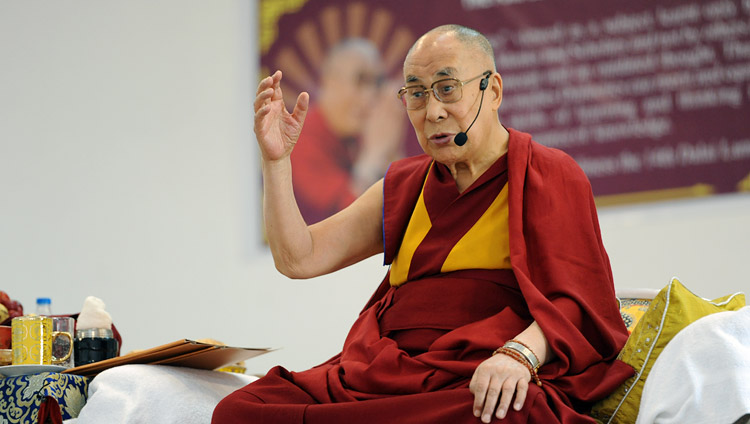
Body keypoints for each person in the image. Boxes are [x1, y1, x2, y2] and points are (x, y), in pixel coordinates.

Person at [214, 24, 633, 423]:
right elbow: (298, 258)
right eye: (415, 94)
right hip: (381, 376)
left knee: (510, 410)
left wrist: (520, 354)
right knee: (242, 410)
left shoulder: (547, 173)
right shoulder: (405, 185)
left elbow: (582, 304)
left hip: (472, 376)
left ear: (494, 90)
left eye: (447, 89)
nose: (432, 112)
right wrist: (276, 161)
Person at [290, 38, 405, 224]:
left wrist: (391, 150)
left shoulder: (360, 133)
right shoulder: (298, 140)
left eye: (376, 84)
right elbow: (349, 222)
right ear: (329, 83)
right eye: (360, 82)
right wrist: (374, 154)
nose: (369, 97)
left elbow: (405, 208)